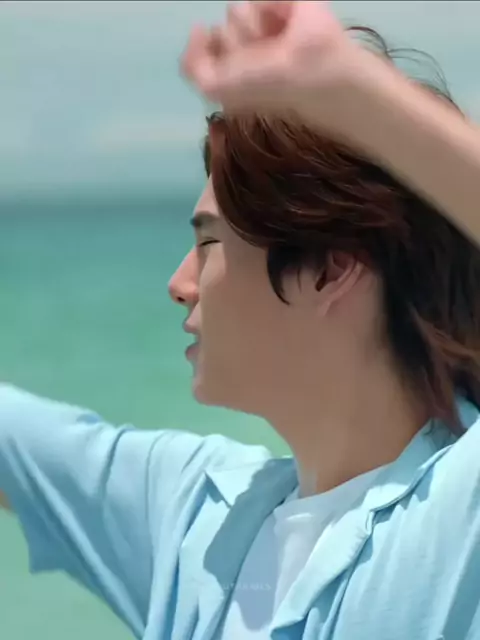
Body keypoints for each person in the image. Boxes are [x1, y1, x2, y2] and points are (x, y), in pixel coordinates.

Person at [2, 1, 480, 638]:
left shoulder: (459, 514)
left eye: (208, 243)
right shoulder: (194, 514)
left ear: (331, 269)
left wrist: (355, 93)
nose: (179, 285)